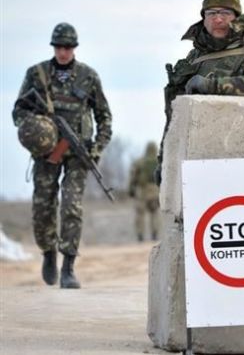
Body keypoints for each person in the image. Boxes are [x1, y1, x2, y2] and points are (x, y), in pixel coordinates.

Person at [12, 22, 112, 288]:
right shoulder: (37, 74)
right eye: (59, 47)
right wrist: (38, 128)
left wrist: (97, 149)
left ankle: (68, 267)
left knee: (71, 207)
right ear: (54, 47)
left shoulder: (88, 77)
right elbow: (18, 112)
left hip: (78, 153)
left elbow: (104, 117)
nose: (63, 52)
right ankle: (48, 252)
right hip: (47, 153)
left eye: (67, 47)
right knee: (43, 207)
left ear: (74, 49)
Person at [157, 0, 244, 183]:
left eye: (225, 13)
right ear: (203, 18)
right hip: (194, 159)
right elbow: (174, 115)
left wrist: (211, 86)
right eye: (212, 13)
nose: (218, 19)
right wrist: (165, 159)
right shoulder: (195, 57)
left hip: (240, 158)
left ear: (237, 17)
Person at [128, 142, 161, 242]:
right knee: (155, 213)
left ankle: (140, 235)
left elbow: (133, 176)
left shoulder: (140, 162)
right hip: (155, 190)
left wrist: (131, 189)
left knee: (140, 214)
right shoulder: (159, 162)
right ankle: (154, 234)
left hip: (142, 191)